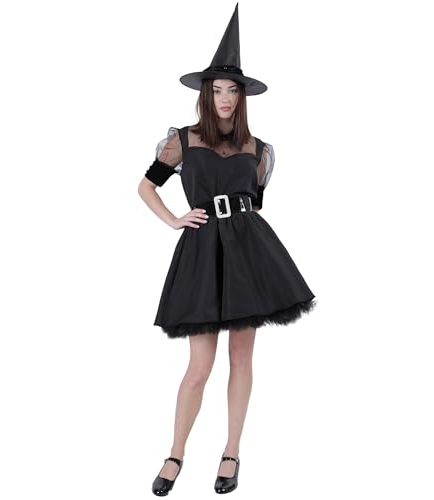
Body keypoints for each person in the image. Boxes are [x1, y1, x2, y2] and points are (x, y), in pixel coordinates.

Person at [137, 4, 317, 496]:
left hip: (248, 253)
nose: (224, 98)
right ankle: (175, 453)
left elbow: (254, 203)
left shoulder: (258, 149)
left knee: (241, 357)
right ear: (205, 93)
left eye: (232, 90)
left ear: (242, 97)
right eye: (217, 89)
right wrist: (175, 219)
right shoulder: (183, 140)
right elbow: (146, 186)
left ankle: (231, 451)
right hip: (201, 252)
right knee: (199, 367)